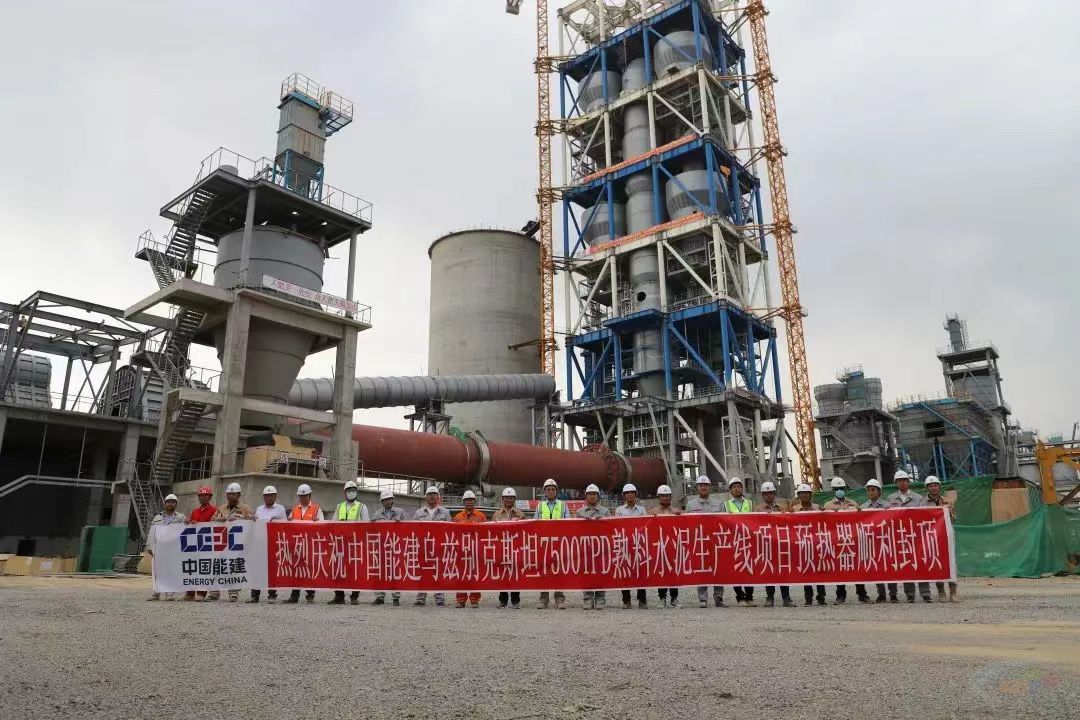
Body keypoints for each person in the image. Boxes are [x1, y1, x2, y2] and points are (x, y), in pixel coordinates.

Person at [887, 470, 931, 603]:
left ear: (908, 482)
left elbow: (924, 516)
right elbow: (887, 517)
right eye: (899, 481)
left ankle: (925, 593)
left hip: (916, 536)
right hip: (900, 537)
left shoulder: (918, 498)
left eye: (904, 480)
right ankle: (910, 594)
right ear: (896, 483)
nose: (902, 483)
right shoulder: (891, 499)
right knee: (906, 564)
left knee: (920, 563)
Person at [685, 475, 725, 608]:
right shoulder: (690, 505)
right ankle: (703, 598)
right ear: (697, 488)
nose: (703, 487)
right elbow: (687, 524)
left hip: (715, 541)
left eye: (706, 485)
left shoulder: (718, 504)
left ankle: (719, 597)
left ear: (709, 487)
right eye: (701, 485)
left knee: (717, 569)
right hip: (699, 542)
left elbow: (724, 522)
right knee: (701, 570)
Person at [822, 477, 863, 604]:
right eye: (837, 489)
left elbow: (861, 520)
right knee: (840, 569)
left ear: (845, 489)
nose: (839, 490)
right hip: (838, 542)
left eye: (841, 488)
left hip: (853, 541)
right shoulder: (828, 506)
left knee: (857, 568)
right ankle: (840, 595)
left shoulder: (853, 504)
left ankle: (862, 594)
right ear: (833, 490)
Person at [211, 482, 254, 602]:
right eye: (229, 494)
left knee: (234, 566)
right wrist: (219, 519)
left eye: (233, 494)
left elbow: (251, 522)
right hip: (223, 543)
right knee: (219, 566)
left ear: (239, 495)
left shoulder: (245, 509)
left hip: (237, 544)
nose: (231, 496)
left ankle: (233, 591)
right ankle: (215, 592)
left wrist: (239, 520)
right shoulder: (221, 508)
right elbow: (211, 521)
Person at [329, 480, 369, 605]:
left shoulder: (362, 507)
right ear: (345, 493)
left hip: (355, 544)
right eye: (349, 490)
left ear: (356, 492)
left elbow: (366, 526)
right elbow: (333, 524)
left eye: (353, 490)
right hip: (340, 543)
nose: (351, 492)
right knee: (338, 569)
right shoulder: (339, 506)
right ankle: (339, 596)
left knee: (354, 570)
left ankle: (354, 596)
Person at [755, 482, 793, 608]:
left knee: (783, 571)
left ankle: (786, 597)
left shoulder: (782, 508)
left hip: (781, 544)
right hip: (766, 544)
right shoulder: (758, 509)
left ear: (774, 494)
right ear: (762, 495)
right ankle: (770, 597)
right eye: (766, 494)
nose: (768, 495)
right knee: (769, 571)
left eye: (770, 493)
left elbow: (789, 523)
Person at [284, 484, 323, 604]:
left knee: (309, 569)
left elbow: (323, 525)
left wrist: (318, 522)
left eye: (305, 496)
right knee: (296, 569)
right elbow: (288, 523)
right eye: (301, 496)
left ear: (309, 495)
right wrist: (288, 521)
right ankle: (294, 595)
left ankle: (310, 594)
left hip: (310, 544)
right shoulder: (295, 509)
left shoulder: (316, 508)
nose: (303, 498)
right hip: (296, 544)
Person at [789, 483, 826, 607]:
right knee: (807, 571)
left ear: (810, 495)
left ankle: (821, 597)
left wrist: (826, 512)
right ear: (798, 495)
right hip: (802, 545)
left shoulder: (818, 508)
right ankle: (808, 598)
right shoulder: (794, 510)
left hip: (817, 544)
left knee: (819, 571)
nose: (804, 495)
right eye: (802, 493)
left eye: (806, 493)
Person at [534, 478, 570, 610]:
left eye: (553, 489)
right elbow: (535, 524)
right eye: (548, 489)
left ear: (556, 491)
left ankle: (559, 599)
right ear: (544, 492)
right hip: (544, 544)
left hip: (559, 543)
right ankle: (544, 599)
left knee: (558, 571)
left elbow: (569, 523)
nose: (550, 491)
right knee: (544, 571)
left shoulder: (563, 505)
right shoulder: (540, 506)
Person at [413, 486, 451, 607]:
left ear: (438, 497)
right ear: (426, 497)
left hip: (439, 547)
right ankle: (420, 598)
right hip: (423, 547)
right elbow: (412, 529)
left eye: (434, 494)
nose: (432, 496)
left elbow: (450, 529)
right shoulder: (419, 513)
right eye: (430, 494)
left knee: (438, 572)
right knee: (423, 572)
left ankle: (439, 598)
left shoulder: (445, 512)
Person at [923, 476, 959, 602]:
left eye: (935, 485)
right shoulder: (923, 503)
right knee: (936, 561)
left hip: (947, 534)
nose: (933, 488)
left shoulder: (948, 501)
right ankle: (940, 590)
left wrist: (948, 513)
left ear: (939, 487)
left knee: (951, 562)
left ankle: (953, 591)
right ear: (927, 488)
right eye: (931, 486)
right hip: (932, 536)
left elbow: (954, 519)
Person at [576, 483, 611, 610]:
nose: (592, 496)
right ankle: (588, 598)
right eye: (590, 494)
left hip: (601, 548)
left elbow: (610, 528)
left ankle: (600, 598)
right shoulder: (580, 512)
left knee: (601, 572)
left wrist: (602, 521)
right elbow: (575, 529)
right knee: (587, 573)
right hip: (586, 548)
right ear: (586, 496)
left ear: (598, 496)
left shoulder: (605, 511)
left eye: (594, 494)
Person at [248, 485, 286, 603]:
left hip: (273, 542)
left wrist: (277, 521)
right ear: (263, 497)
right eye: (266, 496)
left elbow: (285, 525)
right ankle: (255, 595)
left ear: (275, 496)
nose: (268, 498)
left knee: (272, 569)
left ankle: (272, 594)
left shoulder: (280, 509)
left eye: (271, 495)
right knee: (257, 568)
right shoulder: (259, 509)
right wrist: (252, 519)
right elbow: (255, 523)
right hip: (260, 542)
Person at [858, 479, 893, 603]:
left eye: (873, 489)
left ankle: (893, 594)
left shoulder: (887, 505)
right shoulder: (863, 507)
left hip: (886, 540)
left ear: (879, 492)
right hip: (872, 542)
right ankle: (881, 594)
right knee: (877, 567)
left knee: (889, 567)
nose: (870, 492)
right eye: (868, 490)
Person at [147, 493, 186, 601]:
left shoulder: (181, 518)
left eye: (173, 502)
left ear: (176, 504)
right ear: (164, 504)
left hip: (173, 548)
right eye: (168, 502)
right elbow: (152, 533)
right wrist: (149, 546)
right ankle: (156, 593)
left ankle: (170, 593)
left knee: (171, 570)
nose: (170, 504)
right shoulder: (157, 518)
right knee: (157, 571)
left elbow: (184, 532)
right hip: (159, 547)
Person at [724, 477, 756, 607]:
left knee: (749, 569)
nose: (737, 489)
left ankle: (749, 597)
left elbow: (757, 520)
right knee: (735, 569)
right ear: (730, 490)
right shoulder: (726, 505)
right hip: (734, 541)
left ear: (742, 489)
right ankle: (740, 597)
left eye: (739, 486)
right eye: (734, 487)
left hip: (748, 540)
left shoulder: (750, 503)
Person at [615, 483, 648, 610]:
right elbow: (618, 526)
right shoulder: (619, 510)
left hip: (639, 545)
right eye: (627, 493)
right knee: (625, 572)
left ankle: (642, 599)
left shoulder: (642, 510)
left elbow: (645, 525)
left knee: (640, 572)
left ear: (635, 494)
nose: (630, 495)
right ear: (624, 495)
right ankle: (626, 599)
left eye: (632, 493)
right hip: (624, 544)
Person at [492, 487, 526, 608]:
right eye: (506, 498)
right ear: (502, 499)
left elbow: (525, 531)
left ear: (514, 499)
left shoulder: (520, 514)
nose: (508, 500)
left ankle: (515, 601)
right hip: (501, 549)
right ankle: (503, 600)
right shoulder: (496, 515)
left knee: (515, 575)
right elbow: (492, 532)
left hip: (515, 549)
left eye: (511, 498)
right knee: (503, 574)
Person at [372, 490, 407, 606]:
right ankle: (380, 597)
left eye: (390, 499)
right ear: (382, 501)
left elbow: (409, 527)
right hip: (382, 546)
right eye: (385, 499)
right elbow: (372, 529)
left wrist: (400, 524)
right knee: (380, 571)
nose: (388, 501)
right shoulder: (377, 514)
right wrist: (372, 523)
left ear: (392, 500)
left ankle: (396, 597)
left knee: (395, 571)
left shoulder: (400, 512)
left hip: (396, 546)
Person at [453, 490, 487, 608]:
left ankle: (474, 599)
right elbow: (454, 533)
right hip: (462, 550)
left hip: (476, 550)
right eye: (467, 500)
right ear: (463, 502)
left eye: (471, 500)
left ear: (474, 501)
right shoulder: (458, 517)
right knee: (461, 574)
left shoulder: (481, 516)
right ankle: (461, 600)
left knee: (475, 575)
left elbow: (485, 532)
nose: (469, 502)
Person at [649, 484, 681, 608]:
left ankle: (674, 598)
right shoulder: (653, 512)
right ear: (659, 497)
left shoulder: (676, 511)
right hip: (659, 546)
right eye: (662, 496)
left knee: (673, 572)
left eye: (667, 495)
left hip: (673, 545)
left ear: (670, 497)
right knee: (661, 572)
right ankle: (662, 598)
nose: (665, 498)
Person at [184, 486, 218, 601]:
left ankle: (201, 593)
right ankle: (190, 592)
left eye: (205, 495)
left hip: (207, 544)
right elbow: (190, 526)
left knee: (204, 568)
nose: (202, 498)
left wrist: (199, 524)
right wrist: (188, 522)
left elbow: (215, 525)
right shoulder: (195, 511)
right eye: (200, 496)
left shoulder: (215, 511)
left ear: (210, 497)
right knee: (192, 567)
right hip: (195, 544)